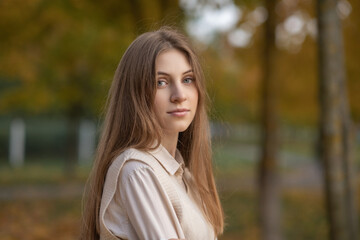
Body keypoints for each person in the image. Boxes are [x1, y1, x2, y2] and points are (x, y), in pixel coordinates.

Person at [80, 27, 224, 240]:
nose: (179, 95)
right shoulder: (138, 171)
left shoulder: (182, 173)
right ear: (136, 94)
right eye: (161, 82)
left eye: (187, 79)